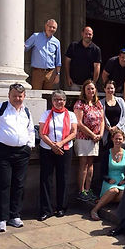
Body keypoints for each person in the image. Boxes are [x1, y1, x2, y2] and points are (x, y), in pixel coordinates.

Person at [0, 83, 35, 232]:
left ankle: (15, 215)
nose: (17, 99)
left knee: (19, 185)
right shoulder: (0, 109)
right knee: (3, 185)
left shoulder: (26, 110)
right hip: (3, 153)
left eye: (20, 96)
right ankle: (2, 219)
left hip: (22, 153)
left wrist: (29, 146)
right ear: (9, 96)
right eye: (14, 96)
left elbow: (31, 129)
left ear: (24, 96)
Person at [38, 90, 77, 221]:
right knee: (46, 179)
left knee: (63, 178)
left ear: (65, 101)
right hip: (47, 149)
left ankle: (61, 207)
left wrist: (60, 143)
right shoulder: (46, 114)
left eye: (61, 99)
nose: (59, 102)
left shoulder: (71, 115)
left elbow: (73, 133)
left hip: (65, 148)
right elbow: (42, 133)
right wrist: (53, 145)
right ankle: (46, 209)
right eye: (56, 99)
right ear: (52, 101)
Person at [90, 129, 125, 220]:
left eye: (120, 139)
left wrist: (124, 180)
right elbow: (102, 172)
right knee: (114, 191)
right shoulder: (107, 153)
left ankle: (104, 200)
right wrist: (108, 179)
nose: (118, 141)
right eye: (116, 138)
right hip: (109, 181)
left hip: (122, 181)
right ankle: (95, 209)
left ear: (123, 140)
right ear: (112, 139)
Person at [74, 80, 104, 201]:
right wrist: (92, 134)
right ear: (84, 91)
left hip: (95, 139)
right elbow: (79, 123)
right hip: (83, 138)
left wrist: (100, 134)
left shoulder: (98, 103)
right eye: (88, 89)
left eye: (92, 88)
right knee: (83, 164)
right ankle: (81, 191)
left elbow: (102, 120)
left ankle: (88, 189)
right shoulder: (80, 104)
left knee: (91, 164)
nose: (91, 91)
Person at [25, 19, 61, 90]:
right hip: (38, 72)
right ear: (46, 26)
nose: (51, 29)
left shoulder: (56, 42)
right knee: (36, 94)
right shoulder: (36, 36)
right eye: (50, 26)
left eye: (54, 28)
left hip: (51, 73)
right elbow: (25, 47)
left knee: (48, 96)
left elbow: (58, 60)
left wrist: (58, 74)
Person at [65, 26, 101, 90]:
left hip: (88, 85)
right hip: (74, 83)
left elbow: (97, 67)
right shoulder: (73, 46)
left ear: (92, 35)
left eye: (90, 34)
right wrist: (68, 77)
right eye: (86, 33)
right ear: (82, 34)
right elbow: (67, 62)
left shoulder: (96, 49)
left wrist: (94, 82)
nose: (87, 35)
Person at [100, 80, 125, 149]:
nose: (110, 90)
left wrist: (117, 127)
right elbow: (102, 117)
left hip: (119, 131)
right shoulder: (101, 103)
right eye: (108, 88)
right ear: (104, 89)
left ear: (114, 89)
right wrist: (109, 128)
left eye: (112, 88)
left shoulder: (120, 100)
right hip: (108, 132)